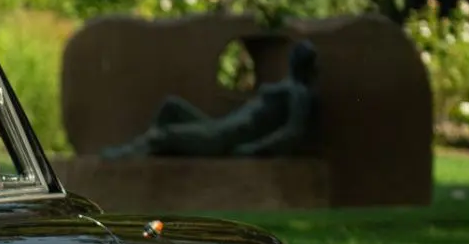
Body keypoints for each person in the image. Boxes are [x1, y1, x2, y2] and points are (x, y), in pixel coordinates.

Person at [103, 40, 318, 159]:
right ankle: (148, 151)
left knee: (165, 134)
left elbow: (292, 132)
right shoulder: (285, 86)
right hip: (218, 127)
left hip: (222, 140)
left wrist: (253, 149)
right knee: (171, 106)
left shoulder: (297, 93)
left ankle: (129, 155)